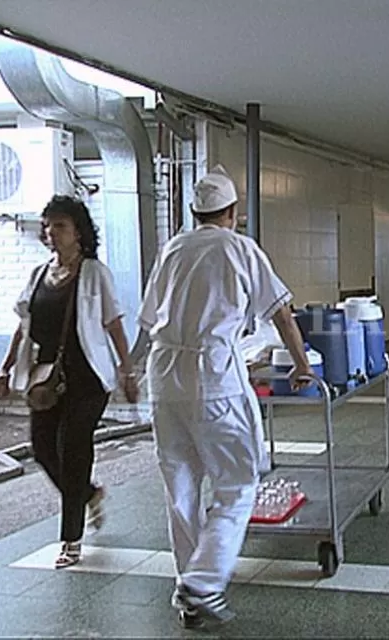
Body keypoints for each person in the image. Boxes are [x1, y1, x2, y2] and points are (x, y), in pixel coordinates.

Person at [138, 165, 313, 625]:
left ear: (196, 212)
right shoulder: (239, 248)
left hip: (163, 376)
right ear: (232, 212)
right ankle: (203, 582)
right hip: (212, 376)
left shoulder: (172, 250)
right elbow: (282, 314)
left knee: (180, 488)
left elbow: (148, 316)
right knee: (237, 485)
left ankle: (187, 585)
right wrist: (302, 365)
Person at [0, 195, 138, 568]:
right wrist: (4, 368)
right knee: (42, 448)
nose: (51, 233)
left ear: (78, 232)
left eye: (60, 226)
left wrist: (127, 368)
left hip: (87, 379)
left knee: (73, 451)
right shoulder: (39, 275)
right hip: (46, 380)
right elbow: (22, 329)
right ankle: (88, 494)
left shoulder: (93, 273)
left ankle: (71, 539)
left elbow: (113, 323)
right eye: (48, 226)